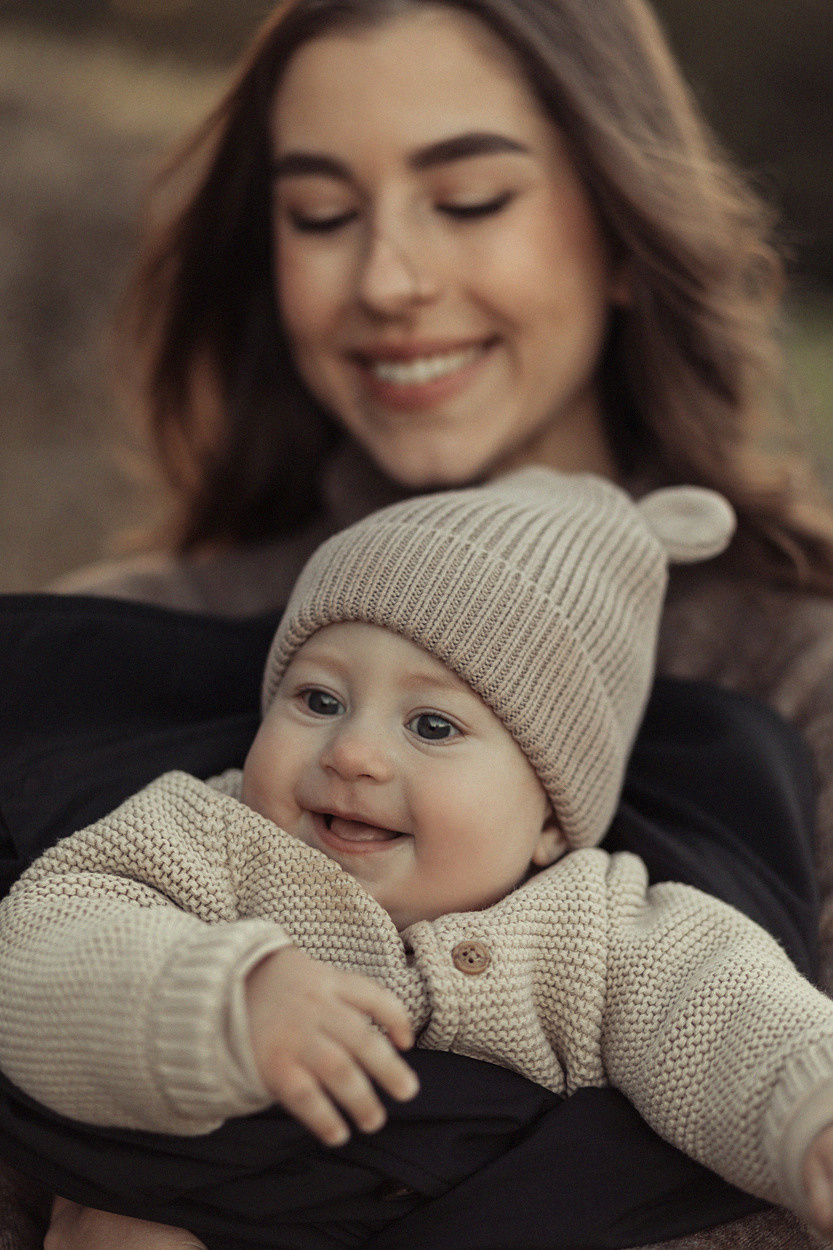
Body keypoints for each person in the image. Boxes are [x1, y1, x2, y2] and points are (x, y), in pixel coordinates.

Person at [9, 0, 833, 1246]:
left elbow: (722, 1018)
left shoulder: (789, 681)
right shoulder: (107, 669)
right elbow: (51, 961)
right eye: (321, 215)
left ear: (619, 226)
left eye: (468, 200)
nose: (389, 278)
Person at [6, 469, 833, 1246]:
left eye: (431, 726)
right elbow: (41, 948)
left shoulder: (600, 926)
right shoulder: (203, 837)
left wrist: (810, 1110)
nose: (354, 751)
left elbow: (726, 1012)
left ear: (550, 816)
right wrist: (220, 997)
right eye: (318, 699)